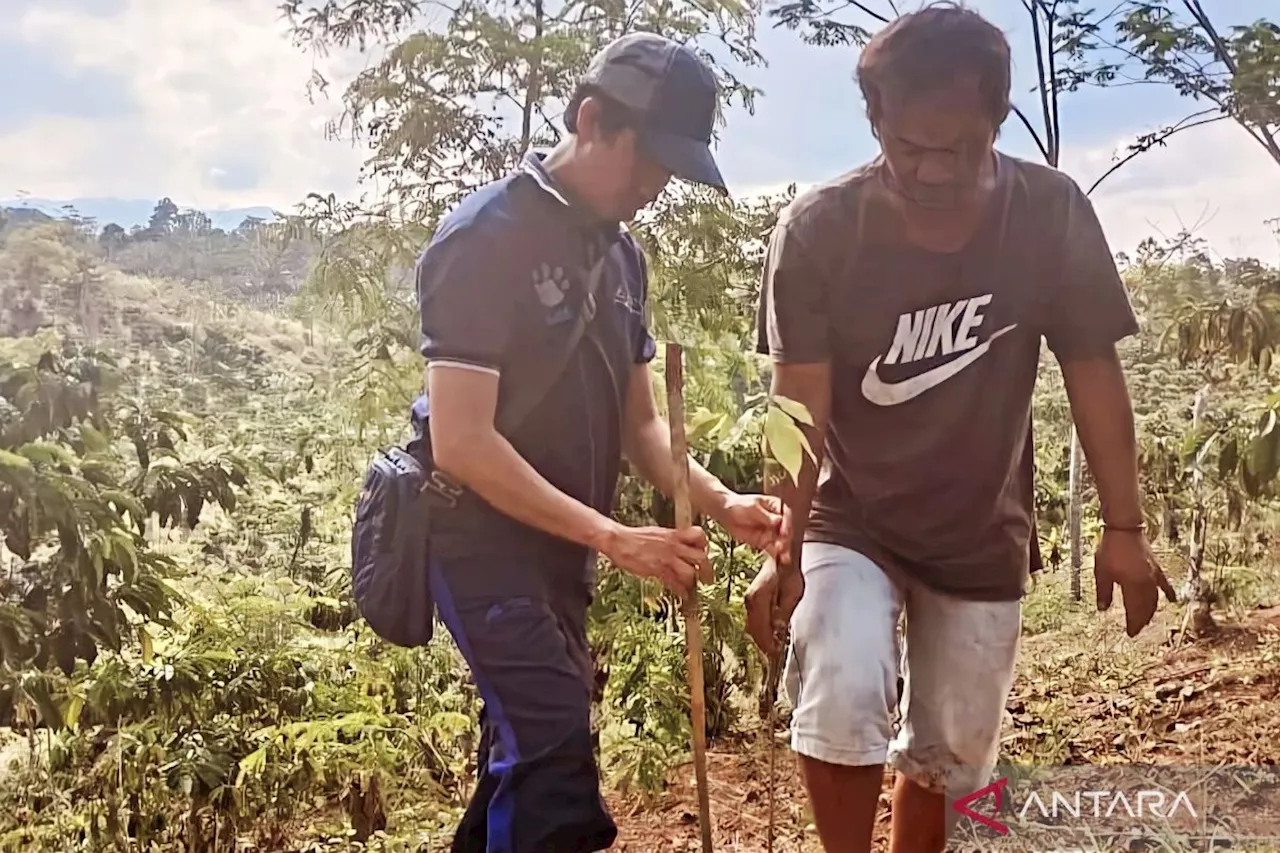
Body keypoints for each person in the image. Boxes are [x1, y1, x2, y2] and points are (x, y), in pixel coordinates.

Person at [745, 4, 1177, 852]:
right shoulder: (821, 229)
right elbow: (798, 403)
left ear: (997, 119)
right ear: (874, 123)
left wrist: (1124, 527)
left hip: (981, 527)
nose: (933, 170)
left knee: (953, 753)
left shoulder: (1048, 214)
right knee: (838, 673)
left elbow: (1093, 369)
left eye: (960, 147)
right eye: (910, 148)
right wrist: (782, 546)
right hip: (853, 516)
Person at [414, 32, 788, 853]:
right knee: (552, 749)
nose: (655, 188)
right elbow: (462, 442)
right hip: (475, 534)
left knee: (520, 747)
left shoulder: (622, 259)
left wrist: (723, 504)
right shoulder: (485, 237)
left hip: (561, 549)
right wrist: (615, 536)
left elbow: (642, 429)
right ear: (590, 120)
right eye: (648, 163)